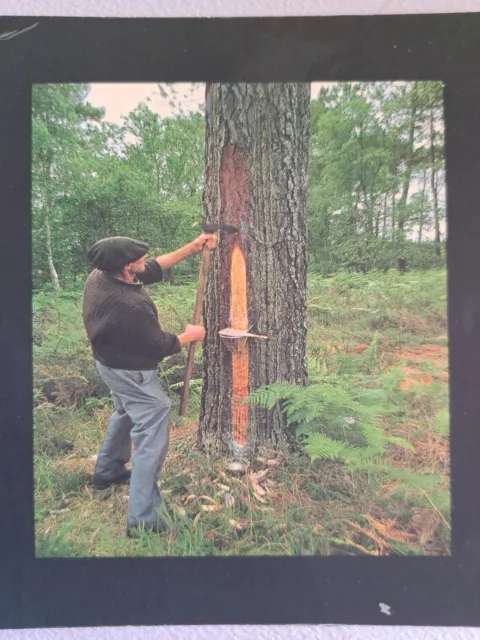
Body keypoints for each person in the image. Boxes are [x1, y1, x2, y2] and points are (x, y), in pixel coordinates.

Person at [82, 232, 217, 536]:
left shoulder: (99, 276)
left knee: (127, 410)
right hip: (131, 371)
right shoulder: (132, 306)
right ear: (126, 267)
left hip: (108, 364)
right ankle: (143, 519)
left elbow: (154, 267)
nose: (144, 261)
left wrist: (193, 247)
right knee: (153, 417)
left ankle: (108, 472)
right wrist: (188, 337)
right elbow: (157, 346)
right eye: (138, 259)